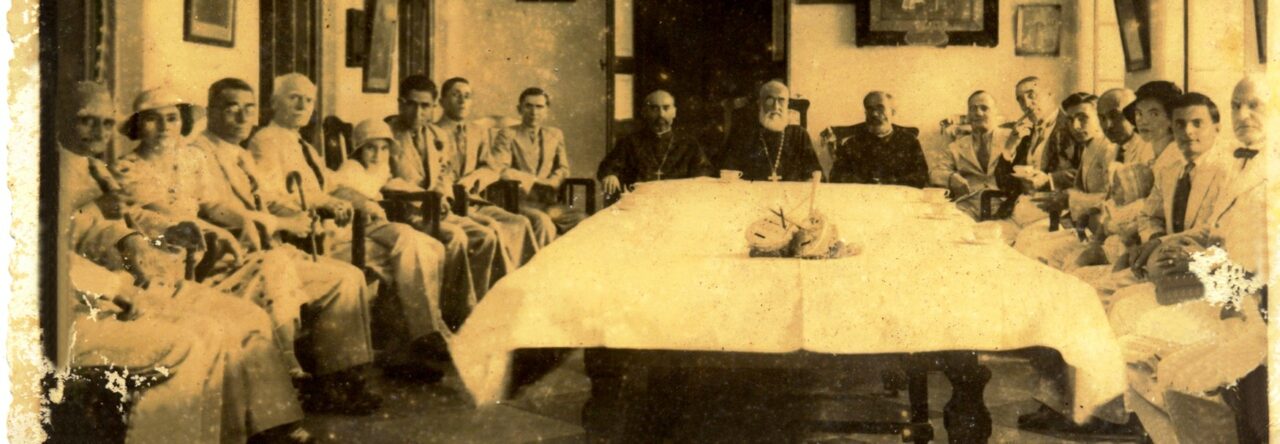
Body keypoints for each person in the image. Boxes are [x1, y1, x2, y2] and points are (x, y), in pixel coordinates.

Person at [59, 83, 312, 442]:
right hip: (73, 307)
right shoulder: (39, 172)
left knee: (248, 317)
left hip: (127, 283)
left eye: (104, 123)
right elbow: (51, 252)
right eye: (86, 122)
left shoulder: (92, 168)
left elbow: (93, 226)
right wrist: (120, 281)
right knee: (200, 337)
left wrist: (130, 243)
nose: (97, 133)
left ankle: (269, 428)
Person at [248, 73, 453, 383]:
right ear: (274, 103)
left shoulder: (301, 142)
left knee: (425, 247)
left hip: (347, 224)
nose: (303, 105)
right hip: (318, 236)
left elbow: (335, 183)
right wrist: (324, 204)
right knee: (412, 252)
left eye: (309, 100)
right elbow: (272, 197)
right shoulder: (265, 141)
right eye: (295, 98)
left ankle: (413, 343)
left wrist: (361, 201)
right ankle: (420, 338)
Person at [188, 78, 382, 400]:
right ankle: (324, 383)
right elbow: (213, 208)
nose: (242, 118)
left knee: (348, 277)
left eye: (249, 109)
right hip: (230, 260)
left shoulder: (240, 153)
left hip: (267, 252)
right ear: (211, 111)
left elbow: (266, 197)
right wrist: (283, 223)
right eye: (231, 108)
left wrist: (299, 218)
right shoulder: (199, 153)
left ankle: (338, 377)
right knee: (341, 280)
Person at [1106, 88, 1264, 443]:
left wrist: (1186, 255)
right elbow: (1214, 230)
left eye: (1254, 106)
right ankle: (1158, 430)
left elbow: (1246, 260)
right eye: (1237, 105)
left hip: (1239, 303)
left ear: (1215, 127)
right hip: (1216, 285)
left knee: (1147, 344)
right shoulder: (1233, 170)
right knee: (1125, 321)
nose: (1188, 132)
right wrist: (1158, 242)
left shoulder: (1233, 170)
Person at [386, 75, 498, 306]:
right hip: (405, 214)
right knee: (455, 237)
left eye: (425, 106)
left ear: (434, 107)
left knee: (485, 237)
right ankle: (451, 308)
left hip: (438, 211)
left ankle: (477, 304)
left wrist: (442, 194)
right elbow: (384, 179)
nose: (418, 113)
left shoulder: (437, 135)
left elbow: (444, 172)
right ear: (400, 103)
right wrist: (424, 200)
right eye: (412, 104)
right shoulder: (387, 134)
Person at [436, 77, 545, 266]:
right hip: (448, 204)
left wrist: (474, 178)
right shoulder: (432, 131)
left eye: (467, 96)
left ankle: (525, 280)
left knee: (521, 223)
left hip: (474, 201)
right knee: (493, 229)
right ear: (442, 101)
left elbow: (492, 167)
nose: (462, 101)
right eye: (456, 95)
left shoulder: (477, 131)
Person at [1014, 93, 1116, 268]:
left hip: (1107, 235)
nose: (1075, 126)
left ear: (1100, 117)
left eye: (1083, 118)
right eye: (1070, 120)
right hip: (1086, 231)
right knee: (1028, 245)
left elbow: (1113, 201)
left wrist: (1068, 200)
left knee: (1037, 254)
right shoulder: (1089, 146)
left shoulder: (1109, 149)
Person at [490, 87, 587, 235]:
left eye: (539, 107)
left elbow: (563, 168)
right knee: (542, 222)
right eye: (528, 106)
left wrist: (554, 181)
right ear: (519, 109)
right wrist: (535, 180)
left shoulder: (555, 134)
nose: (534, 112)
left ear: (546, 110)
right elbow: (501, 169)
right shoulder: (508, 134)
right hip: (518, 202)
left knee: (583, 221)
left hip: (548, 203)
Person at [991, 77, 1075, 238]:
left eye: (1032, 95)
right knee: (981, 238)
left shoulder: (1072, 127)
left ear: (1050, 94)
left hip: (1051, 216)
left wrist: (1049, 179)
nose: (1027, 104)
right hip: (1017, 214)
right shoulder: (1025, 133)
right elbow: (1002, 183)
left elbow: (1086, 173)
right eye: (1021, 100)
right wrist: (1010, 147)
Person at [598, 89, 714, 196]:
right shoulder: (630, 142)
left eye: (666, 108)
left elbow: (703, 171)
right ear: (644, 112)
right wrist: (610, 175)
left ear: (674, 112)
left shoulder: (689, 143)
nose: (661, 114)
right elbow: (608, 166)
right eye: (654, 108)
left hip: (677, 203)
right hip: (639, 204)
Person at [717, 80, 822, 182]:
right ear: (760, 104)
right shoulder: (742, 133)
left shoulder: (799, 135)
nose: (776, 107)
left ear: (787, 104)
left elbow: (814, 174)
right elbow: (727, 171)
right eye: (769, 100)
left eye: (781, 100)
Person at [928, 90, 1008, 219]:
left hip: (1007, 205)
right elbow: (935, 172)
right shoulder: (957, 146)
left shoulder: (1011, 137)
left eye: (984, 108)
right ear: (968, 115)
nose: (978, 113)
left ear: (995, 112)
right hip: (968, 207)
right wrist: (951, 177)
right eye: (973, 109)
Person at [830, 91, 928, 187]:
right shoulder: (852, 144)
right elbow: (835, 176)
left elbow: (922, 176)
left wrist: (889, 182)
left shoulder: (909, 142)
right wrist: (865, 182)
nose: (874, 114)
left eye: (880, 108)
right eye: (870, 109)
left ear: (892, 112)